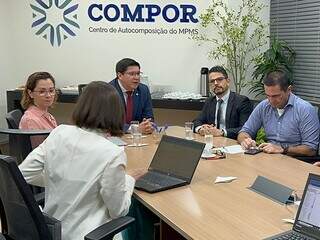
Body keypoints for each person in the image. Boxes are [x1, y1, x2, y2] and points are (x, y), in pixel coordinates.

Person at [19, 81, 143, 240]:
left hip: (52, 230)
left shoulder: (59, 133)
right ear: (116, 111)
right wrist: (129, 179)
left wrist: (60, 180)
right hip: (90, 235)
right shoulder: (112, 153)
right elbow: (118, 211)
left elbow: (23, 173)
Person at [238, 70, 320, 156]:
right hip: (269, 157)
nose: (271, 100)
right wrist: (245, 140)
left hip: (294, 160)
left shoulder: (305, 109)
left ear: (289, 90)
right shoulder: (264, 106)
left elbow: (311, 149)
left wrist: (283, 149)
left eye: (275, 96)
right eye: (267, 95)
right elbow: (244, 132)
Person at [193, 66, 253, 139]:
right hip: (213, 141)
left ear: (228, 81)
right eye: (212, 81)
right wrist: (201, 129)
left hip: (231, 143)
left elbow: (246, 129)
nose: (215, 83)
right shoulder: (209, 101)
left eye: (219, 79)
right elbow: (197, 121)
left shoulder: (241, 101)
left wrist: (222, 132)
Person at [110, 58, 154, 134]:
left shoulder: (143, 90)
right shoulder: (108, 91)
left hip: (138, 138)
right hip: (114, 136)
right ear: (120, 75)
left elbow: (149, 117)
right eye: (131, 74)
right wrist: (134, 129)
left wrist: (147, 125)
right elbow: (108, 122)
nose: (136, 77)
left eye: (138, 73)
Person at [19, 72, 58, 148]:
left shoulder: (48, 115)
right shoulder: (31, 120)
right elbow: (39, 152)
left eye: (51, 91)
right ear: (31, 93)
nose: (48, 95)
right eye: (42, 92)